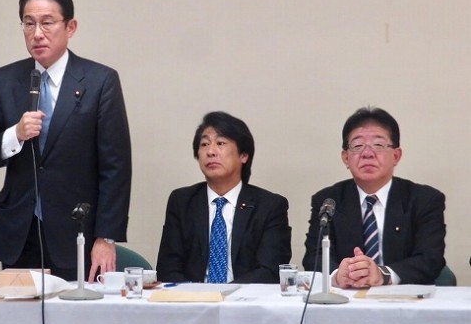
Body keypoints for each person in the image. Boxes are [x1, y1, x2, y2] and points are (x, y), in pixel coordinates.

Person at [0, 0, 131, 282]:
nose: (37, 33)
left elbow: (116, 167)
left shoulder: (100, 81)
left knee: (74, 310)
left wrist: (106, 236)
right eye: (29, 23)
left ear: (70, 27)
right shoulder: (6, 79)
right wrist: (16, 134)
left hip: (77, 232)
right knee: (20, 310)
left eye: (47, 23)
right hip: (20, 232)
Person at [302, 106, 446, 288]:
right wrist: (337, 275)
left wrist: (382, 274)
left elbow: (430, 258)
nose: (367, 154)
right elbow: (314, 256)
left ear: (396, 156)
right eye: (358, 146)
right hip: (346, 297)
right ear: (345, 158)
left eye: (378, 145)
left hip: (402, 298)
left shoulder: (424, 200)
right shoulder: (328, 201)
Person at [156, 111, 291, 284]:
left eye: (220, 143)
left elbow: (270, 270)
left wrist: (225, 293)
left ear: (243, 155)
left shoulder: (269, 206)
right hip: (193, 298)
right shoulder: (182, 201)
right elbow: (167, 268)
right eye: (204, 144)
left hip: (246, 298)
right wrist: (199, 294)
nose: (210, 151)